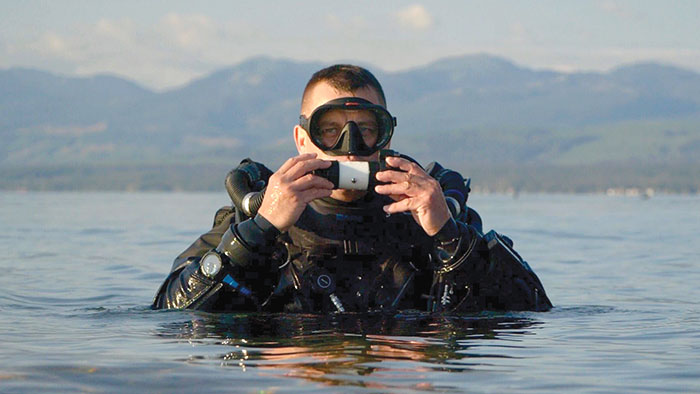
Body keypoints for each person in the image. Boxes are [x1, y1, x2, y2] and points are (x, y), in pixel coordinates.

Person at [152, 64, 552, 313]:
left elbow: (533, 311)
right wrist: (259, 231)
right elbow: (170, 312)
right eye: (330, 130)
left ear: (386, 137)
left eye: (365, 130)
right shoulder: (255, 217)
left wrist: (448, 234)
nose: (350, 148)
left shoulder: (429, 216)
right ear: (302, 139)